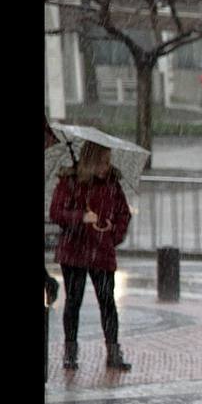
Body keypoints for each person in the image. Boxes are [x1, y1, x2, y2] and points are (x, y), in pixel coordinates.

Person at [50, 141, 132, 372]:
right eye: (103, 161)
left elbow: (123, 213)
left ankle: (114, 353)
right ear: (91, 160)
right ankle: (70, 354)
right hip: (74, 251)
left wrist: (112, 234)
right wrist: (80, 217)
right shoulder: (70, 182)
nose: (107, 166)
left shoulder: (112, 184)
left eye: (108, 161)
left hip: (102, 252)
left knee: (107, 303)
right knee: (73, 302)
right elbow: (56, 212)